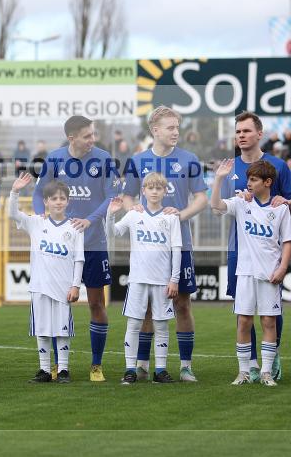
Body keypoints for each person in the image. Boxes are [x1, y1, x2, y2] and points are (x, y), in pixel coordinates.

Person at [121, 106, 207, 382]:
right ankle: (144, 364)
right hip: (148, 249)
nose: (176, 132)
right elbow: (128, 197)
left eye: (177, 127)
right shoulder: (137, 160)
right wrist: (135, 212)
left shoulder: (189, 159)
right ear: (154, 130)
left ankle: (185, 366)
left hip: (179, 246)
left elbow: (201, 198)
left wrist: (180, 215)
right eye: (170, 128)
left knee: (182, 303)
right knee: (147, 306)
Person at [33, 115, 118, 382]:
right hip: (61, 249)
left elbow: (112, 196)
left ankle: (96, 365)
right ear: (72, 138)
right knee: (58, 304)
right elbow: (38, 194)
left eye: (93, 134)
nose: (92, 140)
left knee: (96, 303)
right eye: (87, 136)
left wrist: (90, 220)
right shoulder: (55, 159)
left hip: (93, 244)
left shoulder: (103, 159)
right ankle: (58, 366)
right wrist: (41, 217)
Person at [220, 112, 291, 383]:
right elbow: (221, 205)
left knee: (270, 314)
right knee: (243, 311)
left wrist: (283, 200)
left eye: (246, 131)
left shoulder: (276, 165)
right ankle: (250, 365)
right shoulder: (230, 167)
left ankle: (270, 359)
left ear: (259, 134)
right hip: (239, 252)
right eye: (238, 131)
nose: (241, 135)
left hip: (268, 252)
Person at [10, 173, 83, 383]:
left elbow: (79, 259)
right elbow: (13, 214)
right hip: (40, 286)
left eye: (62, 198)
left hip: (63, 288)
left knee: (62, 330)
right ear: (46, 202)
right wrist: (14, 192)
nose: (58, 202)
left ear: (68, 201)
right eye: (54, 199)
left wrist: (75, 285)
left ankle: (63, 370)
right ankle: (44, 370)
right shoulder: (35, 223)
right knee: (42, 329)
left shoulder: (75, 227)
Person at [110, 172, 181, 384]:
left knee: (161, 326)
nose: (155, 191)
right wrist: (110, 214)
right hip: (138, 279)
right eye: (151, 188)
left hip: (162, 280)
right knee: (134, 324)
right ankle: (130, 370)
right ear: (143, 191)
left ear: (165, 191)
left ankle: (160, 370)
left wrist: (174, 279)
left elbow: (176, 249)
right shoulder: (133, 214)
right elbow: (112, 233)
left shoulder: (171, 217)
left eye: (159, 188)